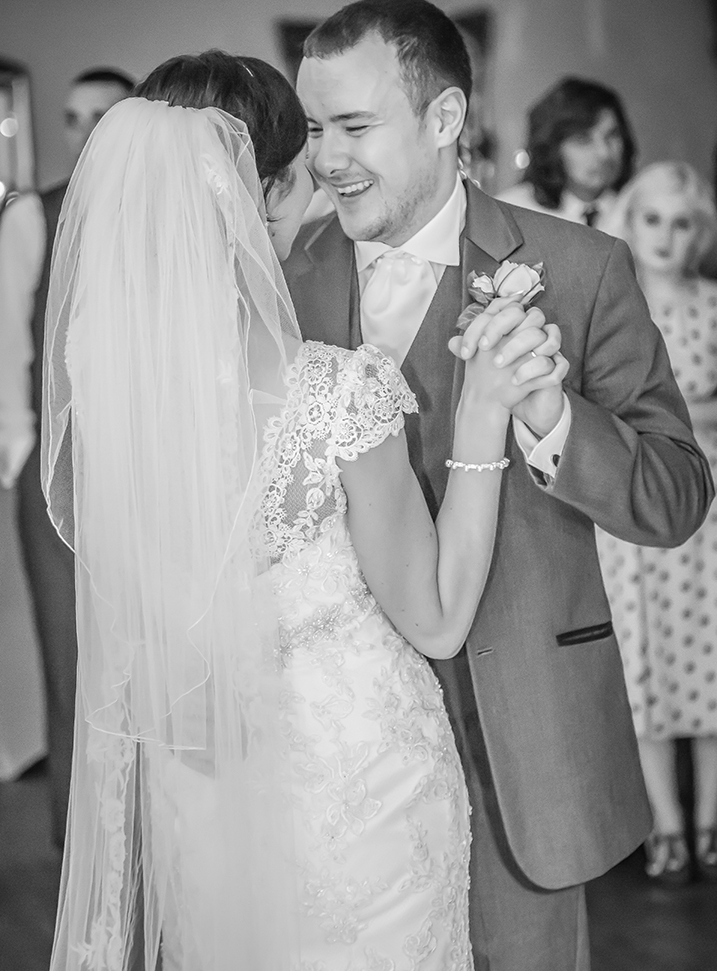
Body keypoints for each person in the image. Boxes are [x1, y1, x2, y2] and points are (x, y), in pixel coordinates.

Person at [43, 49, 567, 971]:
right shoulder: (333, 393)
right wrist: (481, 413)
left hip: (200, 787)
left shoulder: (101, 391)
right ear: (274, 191)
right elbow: (440, 619)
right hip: (363, 787)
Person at [282, 0, 713, 971]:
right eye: (314, 128)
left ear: (444, 121)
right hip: (335, 750)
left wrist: (548, 415)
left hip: (515, 731)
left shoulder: (580, 266)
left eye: (353, 125)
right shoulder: (282, 275)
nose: (327, 157)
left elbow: (677, 493)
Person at [0, 65, 134, 846]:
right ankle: (78, 845)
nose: (85, 132)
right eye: (74, 117)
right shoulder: (33, 217)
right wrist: (24, 454)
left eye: (102, 116)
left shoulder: (163, 216)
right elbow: (9, 345)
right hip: (61, 464)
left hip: (145, 466)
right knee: (70, 652)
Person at [597, 162, 717, 886]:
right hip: (637, 503)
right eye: (652, 219)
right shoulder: (616, 307)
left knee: (707, 660)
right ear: (628, 221)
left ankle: (707, 819)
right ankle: (663, 825)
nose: (666, 236)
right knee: (643, 662)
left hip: (707, 506)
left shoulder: (710, 306)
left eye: (681, 222)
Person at [497, 76, 636, 229]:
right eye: (583, 140)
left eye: (612, 135)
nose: (604, 153)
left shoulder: (642, 215)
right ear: (551, 147)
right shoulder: (511, 213)